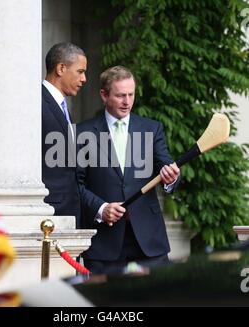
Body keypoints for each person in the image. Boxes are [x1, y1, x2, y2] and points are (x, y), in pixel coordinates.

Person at [77, 66, 180, 274]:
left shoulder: (152, 128)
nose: (127, 101)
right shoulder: (82, 132)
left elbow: (167, 169)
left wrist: (171, 179)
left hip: (149, 238)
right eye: (121, 95)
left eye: (131, 94)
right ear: (104, 95)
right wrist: (101, 208)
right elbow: (76, 184)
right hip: (104, 241)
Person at [42, 42, 87, 226]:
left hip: (67, 213)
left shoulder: (62, 107)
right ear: (61, 68)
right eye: (80, 71)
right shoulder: (37, 103)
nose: (84, 79)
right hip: (49, 214)